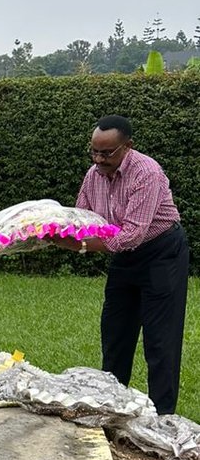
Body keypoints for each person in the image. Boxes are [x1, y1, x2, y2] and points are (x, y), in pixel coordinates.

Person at [75, 115, 188, 415]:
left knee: (160, 342)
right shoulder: (93, 175)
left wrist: (82, 245)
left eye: (106, 153)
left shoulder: (146, 173)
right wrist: (49, 231)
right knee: (115, 335)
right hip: (125, 258)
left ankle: (162, 419)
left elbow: (132, 234)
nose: (99, 159)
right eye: (94, 152)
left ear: (127, 147)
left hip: (161, 253)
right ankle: (111, 408)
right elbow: (82, 218)